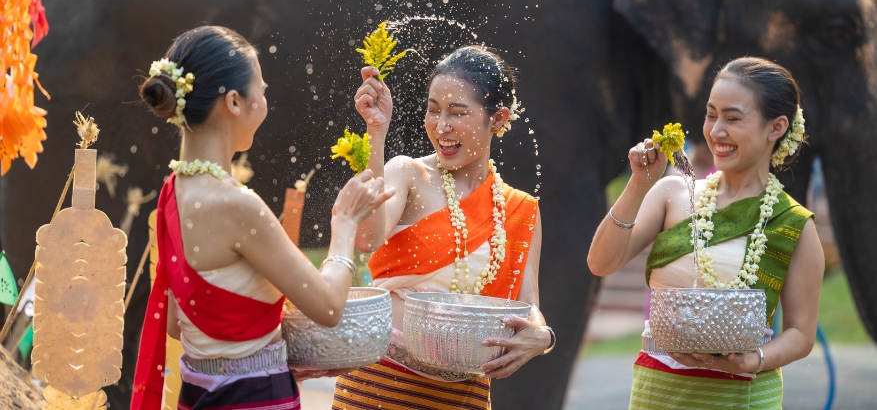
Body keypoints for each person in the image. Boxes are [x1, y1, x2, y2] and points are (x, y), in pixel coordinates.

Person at [130, 26, 393, 410]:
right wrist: (345, 224)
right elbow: (329, 308)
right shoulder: (237, 205)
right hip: (254, 399)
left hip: (198, 395)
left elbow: (175, 322)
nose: (266, 100)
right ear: (234, 102)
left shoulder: (174, 191)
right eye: (263, 90)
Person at [588, 57, 824, 409]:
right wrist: (638, 185)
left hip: (743, 394)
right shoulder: (672, 194)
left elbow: (801, 335)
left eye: (733, 118)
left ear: (776, 127)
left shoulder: (793, 224)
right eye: (711, 114)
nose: (715, 132)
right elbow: (601, 262)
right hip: (658, 391)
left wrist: (752, 359)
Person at [330, 45, 555, 409]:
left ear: (497, 119)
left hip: (463, 393)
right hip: (378, 382)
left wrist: (543, 337)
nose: (441, 126)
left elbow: (528, 305)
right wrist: (375, 132)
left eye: (457, 113)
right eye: (433, 110)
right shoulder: (408, 174)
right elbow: (366, 237)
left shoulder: (519, 209)